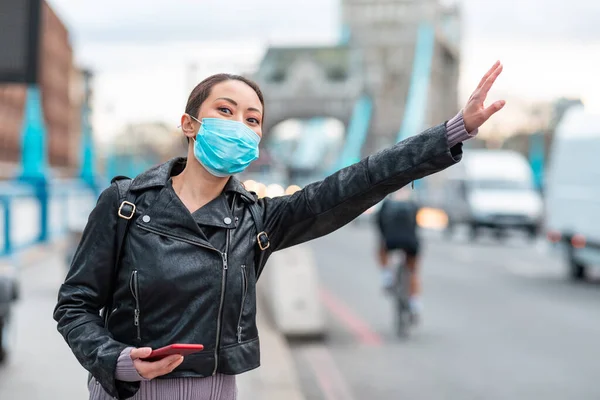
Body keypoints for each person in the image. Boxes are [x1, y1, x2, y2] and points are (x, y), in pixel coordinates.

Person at [54, 61, 505, 400]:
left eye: (252, 120)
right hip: (130, 393)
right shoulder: (125, 204)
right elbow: (74, 306)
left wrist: (452, 132)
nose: (240, 125)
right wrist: (118, 362)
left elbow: (355, 183)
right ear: (190, 125)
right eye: (225, 111)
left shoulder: (257, 220)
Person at [375, 186, 422, 320]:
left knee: (381, 247)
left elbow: (379, 224)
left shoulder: (388, 201)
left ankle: (387, 277)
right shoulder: (413, 200)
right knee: (413, 271)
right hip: (410, 241)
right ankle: (415, 304)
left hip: (391, 240)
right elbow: (417, 225)